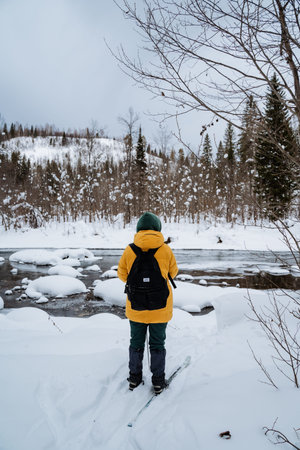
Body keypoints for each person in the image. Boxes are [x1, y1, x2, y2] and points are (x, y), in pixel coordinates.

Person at [117, 211, 178, 394]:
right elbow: (173, 273)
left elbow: (122, 275)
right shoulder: (166, 250)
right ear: (157, 228)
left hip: (136, 307)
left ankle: (134, 378)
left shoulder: (129, 249)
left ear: (138, 229)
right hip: (160, 308)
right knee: (157, 343)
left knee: (136, 342)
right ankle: (158, 381)